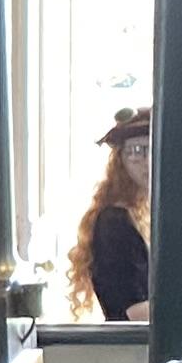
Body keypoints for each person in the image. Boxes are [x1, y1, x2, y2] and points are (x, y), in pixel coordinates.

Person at [68, 106, 154, 322]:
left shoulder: (145, 215)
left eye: (153, 150)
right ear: (120, 160)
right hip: (131, 348)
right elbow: (136, 312)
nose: (148, 161)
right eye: (137, 151)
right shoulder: (114, 223)